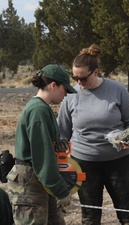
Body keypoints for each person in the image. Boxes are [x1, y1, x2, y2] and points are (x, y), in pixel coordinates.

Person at [57, 44, 129, 225]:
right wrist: (60, 162)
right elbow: (62, 132)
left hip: (119, 164)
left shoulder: (117, 90)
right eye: (74, 77)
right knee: (90, 218)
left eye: (83, 78)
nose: (78, 83)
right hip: (84, 165)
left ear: (95, 72)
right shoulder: (70, 96)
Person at [6, 64, 77, 224]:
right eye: (64, 89)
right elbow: (42, 158)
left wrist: (56, 146)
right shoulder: (38, 110)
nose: (66, 95)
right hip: (30, 185)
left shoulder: (42, 109)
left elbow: (43, 148)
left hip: (40, 182)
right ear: (53, 85)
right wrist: (61, 190)